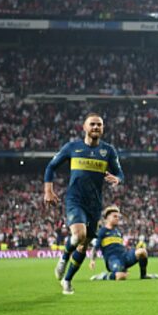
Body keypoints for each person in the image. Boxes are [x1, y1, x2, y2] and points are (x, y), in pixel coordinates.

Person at [45, 113, 124, 295]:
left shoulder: (108, 151)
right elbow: (51, 167)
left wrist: (117, 179)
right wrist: (48, 190)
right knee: (79, 235)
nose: (96, 127)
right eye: (92, 124)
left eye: (99, 125)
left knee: (83, 245)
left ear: (102, 128)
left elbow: (120, 173)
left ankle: (67, 280)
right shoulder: (72, 147)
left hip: (94, 204)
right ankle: (64, 259)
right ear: (84, 127)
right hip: (75, 199)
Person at [88, 206, 158, 280]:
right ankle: (103, 276)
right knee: (121, 276)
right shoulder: (102, 231)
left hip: (124, 256)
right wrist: (92, 260)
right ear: (107, 218)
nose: (117, 218)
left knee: (142, 251)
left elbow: (119, 247)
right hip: (113, 259)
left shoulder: (118, 232)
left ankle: (143, 275)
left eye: (118, 217)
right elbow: (95, 247)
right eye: (115, 216)